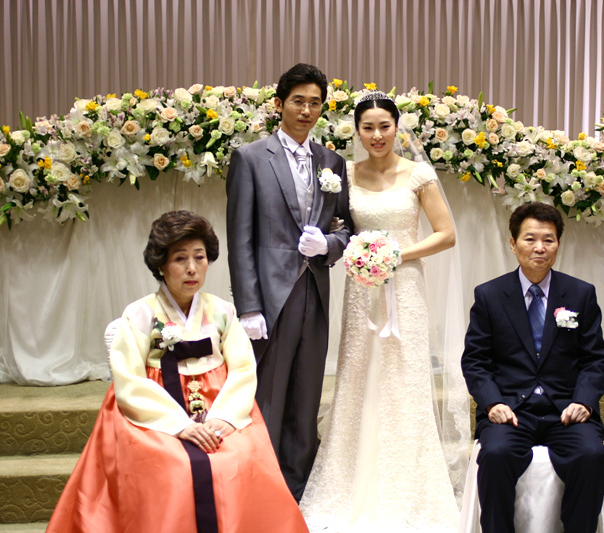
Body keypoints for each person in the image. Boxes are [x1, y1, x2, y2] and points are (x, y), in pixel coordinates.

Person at [46, 210, 308, 533]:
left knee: (238, 460)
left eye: (199, 257)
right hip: (154, 410)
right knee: (174, 466)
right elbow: (128, 379)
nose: (192, 268)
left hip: (218, 406)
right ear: (161, 265)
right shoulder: (139, 315)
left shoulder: (223, 311)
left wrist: (223, 418)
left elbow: (242, 369)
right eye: (180, 258)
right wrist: (180, 425)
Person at [298, 91, 469, 532]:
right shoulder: (344, 174)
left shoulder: (418, 175)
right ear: (357, 132)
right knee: (358, 372)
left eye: (384, 126)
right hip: (361, 288)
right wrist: (355, 251)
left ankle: (407, 483)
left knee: (402, 375)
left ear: (397, 128)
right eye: (368, 128)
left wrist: (396, 254)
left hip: (405, 286)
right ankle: (350, 479)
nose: (376, 135)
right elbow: (336, 228)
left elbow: (446, 234)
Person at [225, 63, 353, 501]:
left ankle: (298, 493)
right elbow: (240, 238)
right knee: (269, 397)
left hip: (314, 290)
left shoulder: (332, 162)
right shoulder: (250, 158)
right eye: (298, 101)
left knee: (307, 394)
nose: (306, 110)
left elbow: (347, 229)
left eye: (315, 103)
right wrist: (248, 306)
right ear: (279, 104)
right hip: (270, 296)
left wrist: (329, 245)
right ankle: (260, 491)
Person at [461, 202, 604, 533]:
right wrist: (493, 403)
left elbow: (595, 359)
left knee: (590, 455)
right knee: (496, 454)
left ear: (558, 244)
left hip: (565, 409)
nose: (539, 248)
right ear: (513, 243)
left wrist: (584, 401)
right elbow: (475, 360)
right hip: (511, 410)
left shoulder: (581, 294)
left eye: (548, 239)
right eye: (530, 239)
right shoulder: (489, 295)